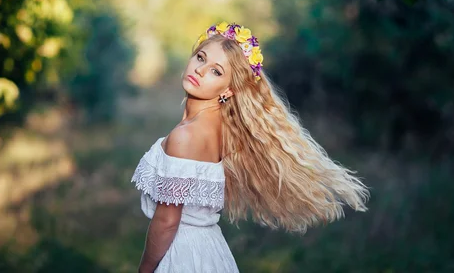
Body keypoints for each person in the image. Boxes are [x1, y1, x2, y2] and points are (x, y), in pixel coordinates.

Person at [131, 22, 369, 273]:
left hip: (181, 255)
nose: (200, 70)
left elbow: (167, 221)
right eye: (200, 57)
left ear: (229, 88)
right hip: (210, 251)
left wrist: (144, 270)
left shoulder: (186, 136)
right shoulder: (222, 130)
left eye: (216, 71)